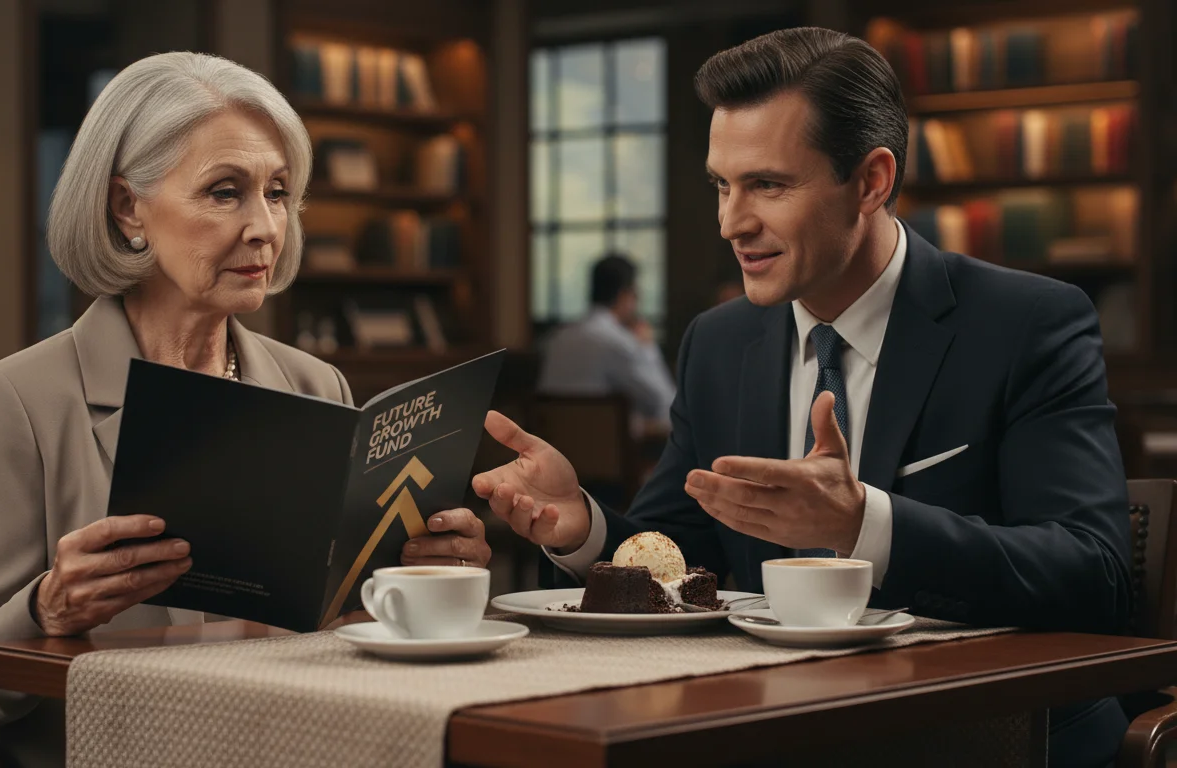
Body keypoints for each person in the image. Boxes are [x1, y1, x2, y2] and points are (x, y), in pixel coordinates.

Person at [473, 28, 1131, 768]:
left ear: (871, 182)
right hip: (776, 730)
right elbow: (683, 547)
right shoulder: (719, 343)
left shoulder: (1026, 324)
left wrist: (864, 524)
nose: (731, 223)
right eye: (722, 185)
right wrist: (582, 526)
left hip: (993, 738)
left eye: (768, 185)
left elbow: (1093, 574)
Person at [0, 52, 489, 766]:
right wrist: (45, 610)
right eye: (225, 192)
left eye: (278, 192)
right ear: (128, 206)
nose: (265, 227)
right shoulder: (22, 396)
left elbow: (349, 631)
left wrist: (424, 573)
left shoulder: (318, 386)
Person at [537, 253, 677, 432]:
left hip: (555, 450)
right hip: (606, 452)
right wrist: (647, 347)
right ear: (625, 294)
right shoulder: (618, 342)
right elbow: (664, 403)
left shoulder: (557, 339)